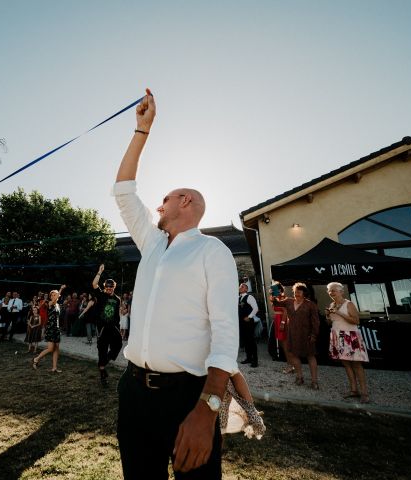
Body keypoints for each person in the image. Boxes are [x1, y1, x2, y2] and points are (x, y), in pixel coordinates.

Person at [113, 90, 239, 478]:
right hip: (133, 391)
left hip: (187, 396)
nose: (157, 207)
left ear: (184, 201)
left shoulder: (211, 250)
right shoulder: (151, 243)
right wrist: (141, 131)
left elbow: (224, 333)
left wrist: (208, 408)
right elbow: (123, 191)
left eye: (164, 200)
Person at [325, 282, 370, 403]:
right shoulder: (332, 304)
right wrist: (328, 316)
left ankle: (364, 393)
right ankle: (354, 390)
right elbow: (331, 323)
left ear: (341, 291)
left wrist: (339, 312)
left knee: (356, 364)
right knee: (346, 364)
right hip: (337, 336)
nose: (331, 292)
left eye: (334, 290)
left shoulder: (348, 304)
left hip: (350, 336)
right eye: (329, 290)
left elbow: (356, 321)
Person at [270, 282, 320, 389]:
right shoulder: (289, 301)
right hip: (292, 333)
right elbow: (277, 304)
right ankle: (299, 377)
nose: (297, 293)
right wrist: (273, 295)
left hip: (306, 334)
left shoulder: (310, 304)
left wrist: (314, 335)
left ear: (304, 292)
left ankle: (314, 381)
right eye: (295, 291)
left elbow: (316, 322)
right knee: (293, 355)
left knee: (310, 356)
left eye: (299, 291)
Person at [92, 265, 123, 387]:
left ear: (114, 287)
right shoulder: (101, 295)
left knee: (119, 344)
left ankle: (103, 364)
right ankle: (103, 375)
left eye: (111, 287)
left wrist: (118, 327)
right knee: (102, 350)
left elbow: (117, 315)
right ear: (105, 287)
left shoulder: (117, 299)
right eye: (107, 287)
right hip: (103, 328)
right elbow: (94, 284)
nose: (109, 288)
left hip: (113, 327)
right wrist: (99, 272)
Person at [33, 285, 66, 372]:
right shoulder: (50, 303)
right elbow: (55, 299)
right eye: (53, 295)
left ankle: (54, 368)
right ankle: (36, 359)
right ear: (51, 296)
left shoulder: (58, 305)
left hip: (57, 329)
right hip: (50, 328)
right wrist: (61, 289)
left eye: (56, 294)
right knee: (51, 348)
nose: (56, 296)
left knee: (56, 349)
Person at [239, 282, 259, 368]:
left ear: (246, 289)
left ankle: (255, 360)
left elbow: (256, 308)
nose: (240, 288)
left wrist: (249, 316)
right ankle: (248, 358)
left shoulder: (249, 297)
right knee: (245, 341)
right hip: (241, 322)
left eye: (242, 287)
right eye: (240, 287)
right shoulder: (238, 298)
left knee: (251, 341)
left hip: (248, 322)